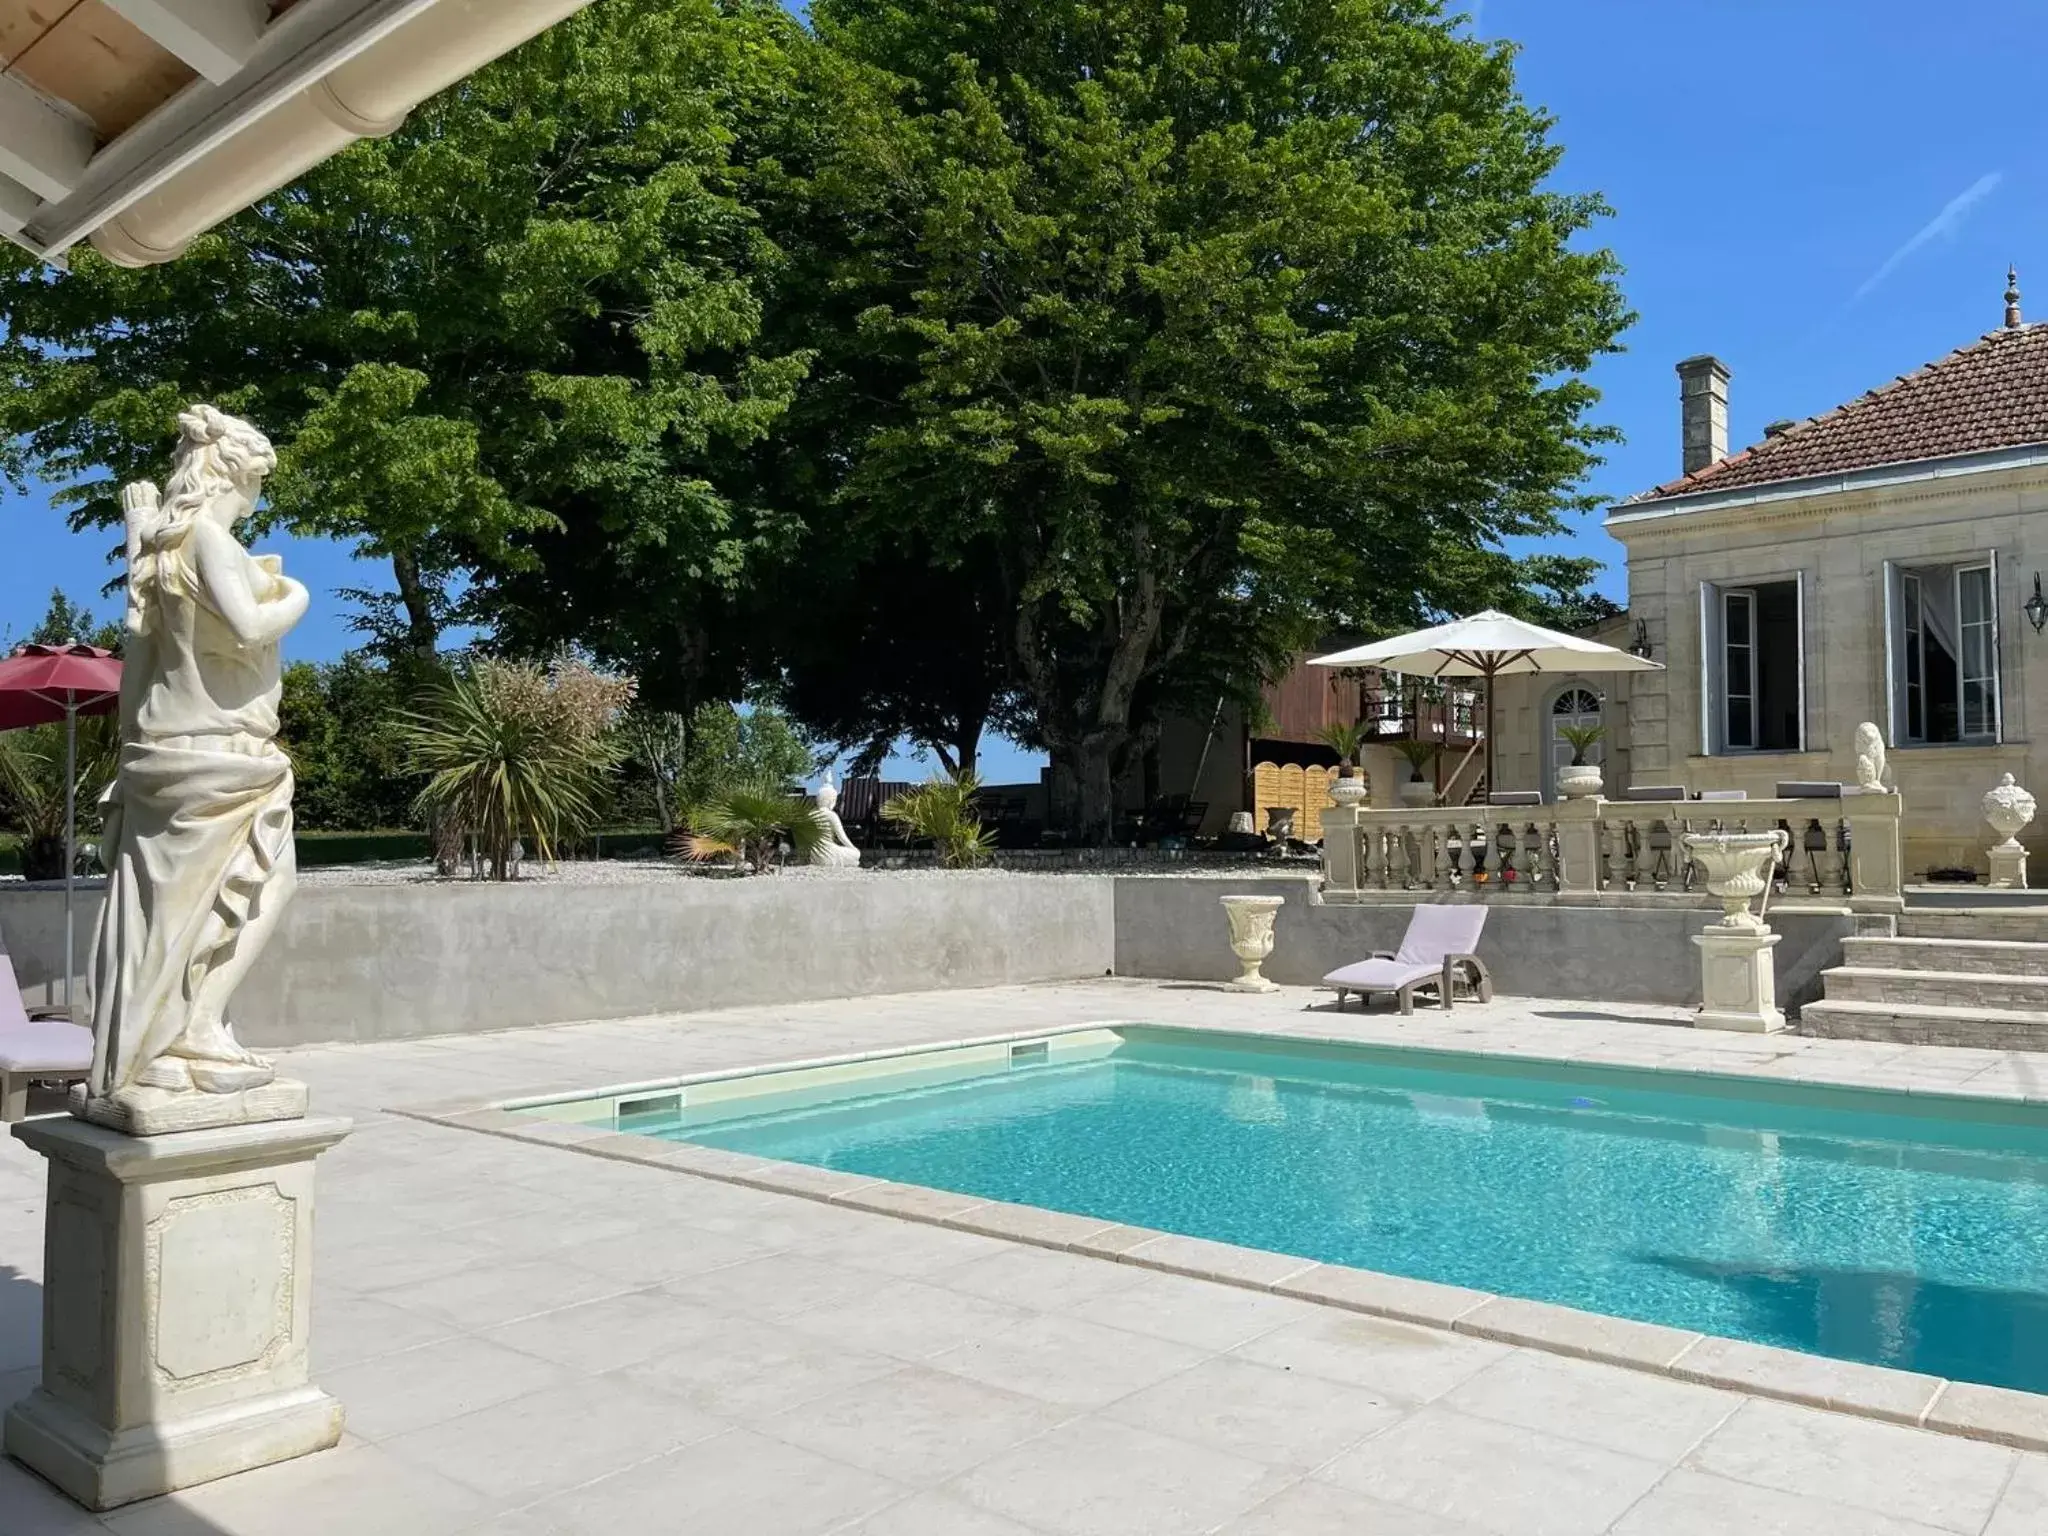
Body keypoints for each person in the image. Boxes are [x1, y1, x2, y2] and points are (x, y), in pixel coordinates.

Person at [88, 406, 308, 1105]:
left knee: (167, 918)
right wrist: (298, 597)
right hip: (223, 758)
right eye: (258, 485)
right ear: (236, 477)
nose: (259, 500)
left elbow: (137, 663)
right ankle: (199, 1026)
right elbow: (248, 627)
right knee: (265, 886)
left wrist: (129, 760)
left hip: (164, 754)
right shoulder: (210, 540)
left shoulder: (159, 552)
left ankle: (165, 1041)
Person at [809, 773, 863, 867]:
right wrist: (854, 849)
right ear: (831, 800)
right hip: (828, 851)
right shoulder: (831, 815)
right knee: (856, 855)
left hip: (813, 854)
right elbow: (842, 837)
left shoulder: (811, 814)